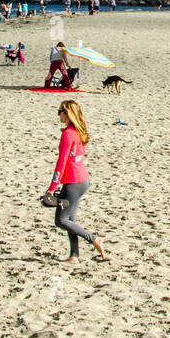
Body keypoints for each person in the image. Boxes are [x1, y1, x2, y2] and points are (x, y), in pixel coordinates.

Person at [45, 100, 106, 263]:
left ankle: (94, 239)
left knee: (61, 220)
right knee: (70, 219)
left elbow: (61, 163)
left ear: (67, 113)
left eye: (60, 112)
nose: (59, 115)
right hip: (82, 181)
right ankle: (74, 256)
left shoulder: (68, 134)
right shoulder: (77, 131)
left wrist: (52, 188)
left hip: (72, 184)